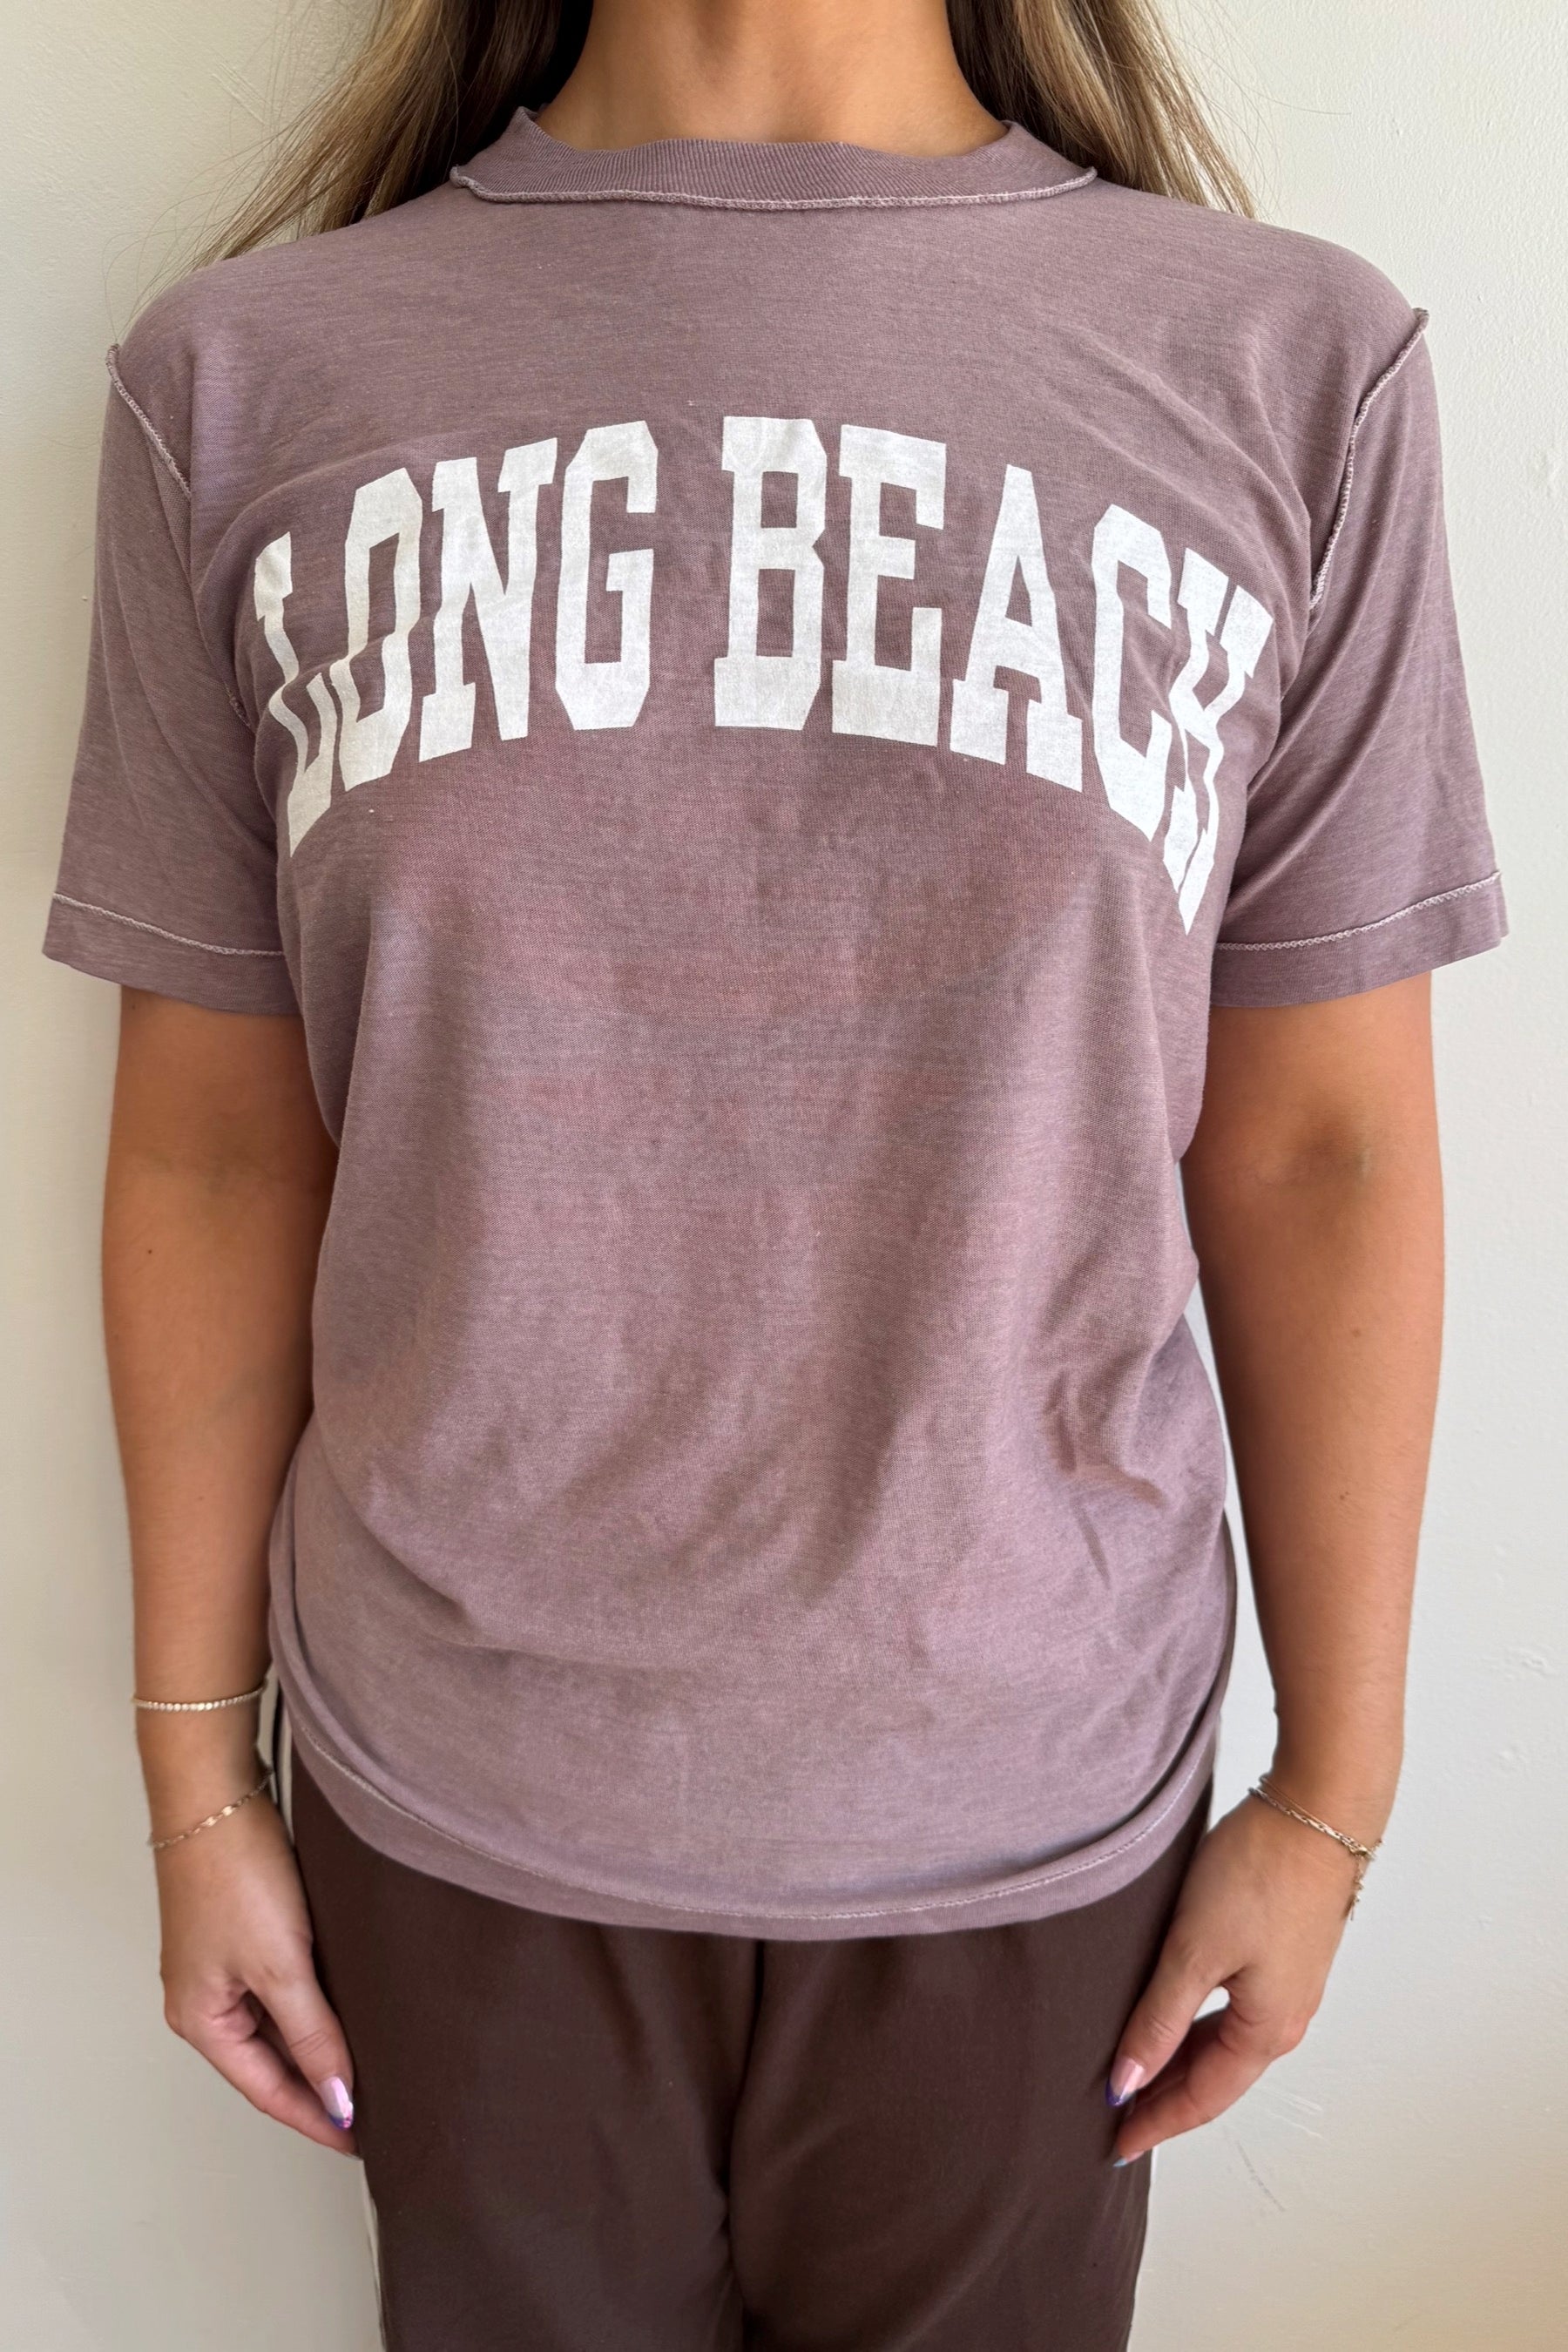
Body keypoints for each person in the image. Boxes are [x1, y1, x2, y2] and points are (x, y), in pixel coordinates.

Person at [44, 0, 1509, 2344]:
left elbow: (1323, 1148)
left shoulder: (1287, 372)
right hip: (457, 1809)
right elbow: (220, 1151)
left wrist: (1335, 1792)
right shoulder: (246, 385)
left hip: (1040, 1821)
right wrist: (198, 1779)